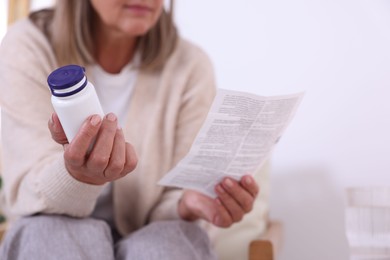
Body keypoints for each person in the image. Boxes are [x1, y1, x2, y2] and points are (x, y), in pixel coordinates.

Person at [0, 1, 259, 259]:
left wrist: (185, 205)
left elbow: (172, 202)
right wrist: (76, 175)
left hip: (151, 233)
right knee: (49, 233)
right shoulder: (27, 46)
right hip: (52, 229)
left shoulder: (190, 66)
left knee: (171, 243)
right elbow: (27, 192)